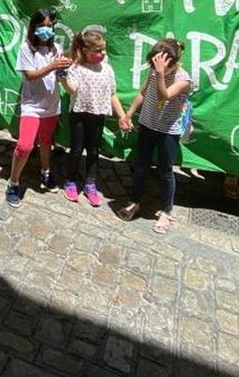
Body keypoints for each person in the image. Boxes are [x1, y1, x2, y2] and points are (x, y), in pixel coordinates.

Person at [118, 38, 194, 233]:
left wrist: (160, 74)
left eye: (160, 65)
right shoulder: (154, 71)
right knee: (140, 165)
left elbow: (164, 96)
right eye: (153, 65)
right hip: (147, 124)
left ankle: (166, 211)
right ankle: (134, 201)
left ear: (173, 62)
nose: (155, 68)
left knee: (166, 171)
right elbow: (143, 93)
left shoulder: (183, 79)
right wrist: (129, 114)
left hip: (168, 131)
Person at [5, 10, 71, 207]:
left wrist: (63, 70)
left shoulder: (56, 48)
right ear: (33, 27)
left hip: (51, 106)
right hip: (32, 106)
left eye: (50, 26)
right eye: (42, 26)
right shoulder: (27, 49)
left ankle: (45, 172)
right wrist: (52, 66)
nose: (46, 30)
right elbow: (30, 75)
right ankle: (13, 182)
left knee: (46, 142)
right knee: (25, 145)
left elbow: (59, 76)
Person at [57, 28, 126, 208]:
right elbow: (72, 89)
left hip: (98, 115)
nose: (102, 53)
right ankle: (70, 180)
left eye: (103, 49)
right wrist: (63, 79)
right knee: (77, 149)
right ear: (85, 50)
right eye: (98, 50)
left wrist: (122, 116)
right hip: (79, 114)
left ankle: (90, 183)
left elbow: (112, 94)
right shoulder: (76, 68)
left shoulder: (107, 70)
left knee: (94, 151)